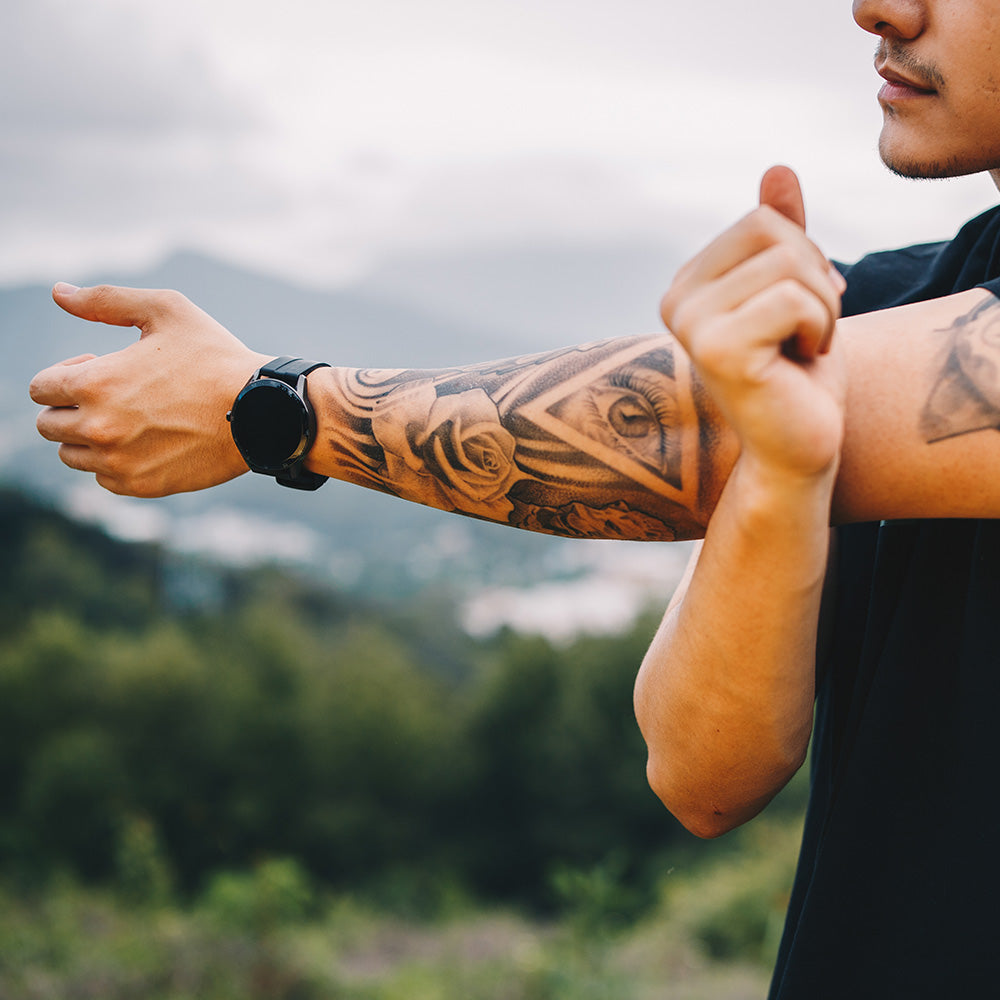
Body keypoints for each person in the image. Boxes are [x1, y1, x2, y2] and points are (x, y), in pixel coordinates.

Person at [27, 0, 1000, 993]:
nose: (878, 8)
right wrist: (779, 472)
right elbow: (699, 774)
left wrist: (268, 405)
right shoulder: (883, 303)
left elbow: (676, 427)